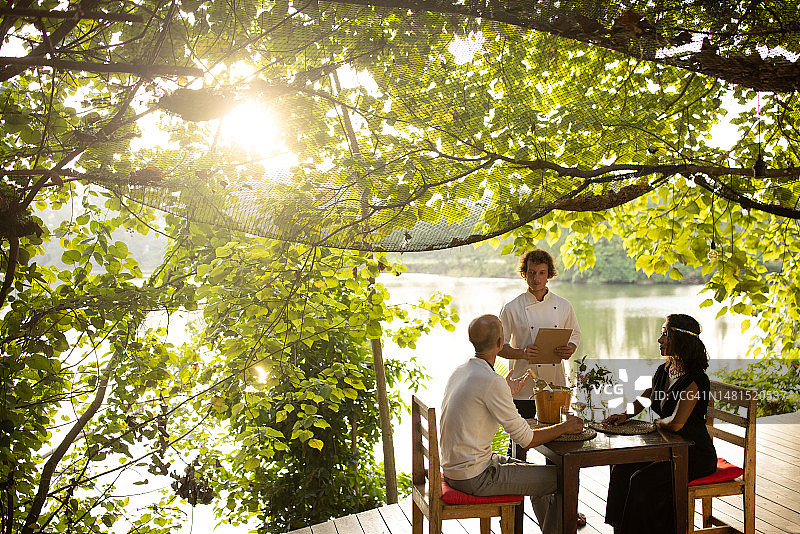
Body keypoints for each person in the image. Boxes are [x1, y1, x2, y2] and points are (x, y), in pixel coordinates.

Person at [440, 314, 583, 534]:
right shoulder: (491, 381)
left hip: (457, 468)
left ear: (471, 340)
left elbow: (479, 401)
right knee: (562, 478)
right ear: (500, 343)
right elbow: (527, 440)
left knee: (542, 476)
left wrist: (505, 391)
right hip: (475, 476)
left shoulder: (461, 371)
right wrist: (566, 427)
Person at [603, 313, 717, 534]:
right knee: (621, 470)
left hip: (694, 455)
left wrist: (657, 424)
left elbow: (676, 423)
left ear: (680, 338)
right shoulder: (665, 369)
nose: (659, 339)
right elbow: (645, 397)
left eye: (665, 334)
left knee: (642, 481)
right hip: (667, 449)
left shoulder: (696, 379)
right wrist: (625, 415)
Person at [499, 249, 581, 419]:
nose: (536, 279)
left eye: (542, 273)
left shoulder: (564, 306)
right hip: (522, 386)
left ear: (549, 274)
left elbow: (575, 335)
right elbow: (498, 347)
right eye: (532, 273)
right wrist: (522, 353)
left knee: (555, 431)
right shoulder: (511, 308)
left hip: (555, 385)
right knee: (520, 434)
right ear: (524, 273)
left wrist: (570, 348)